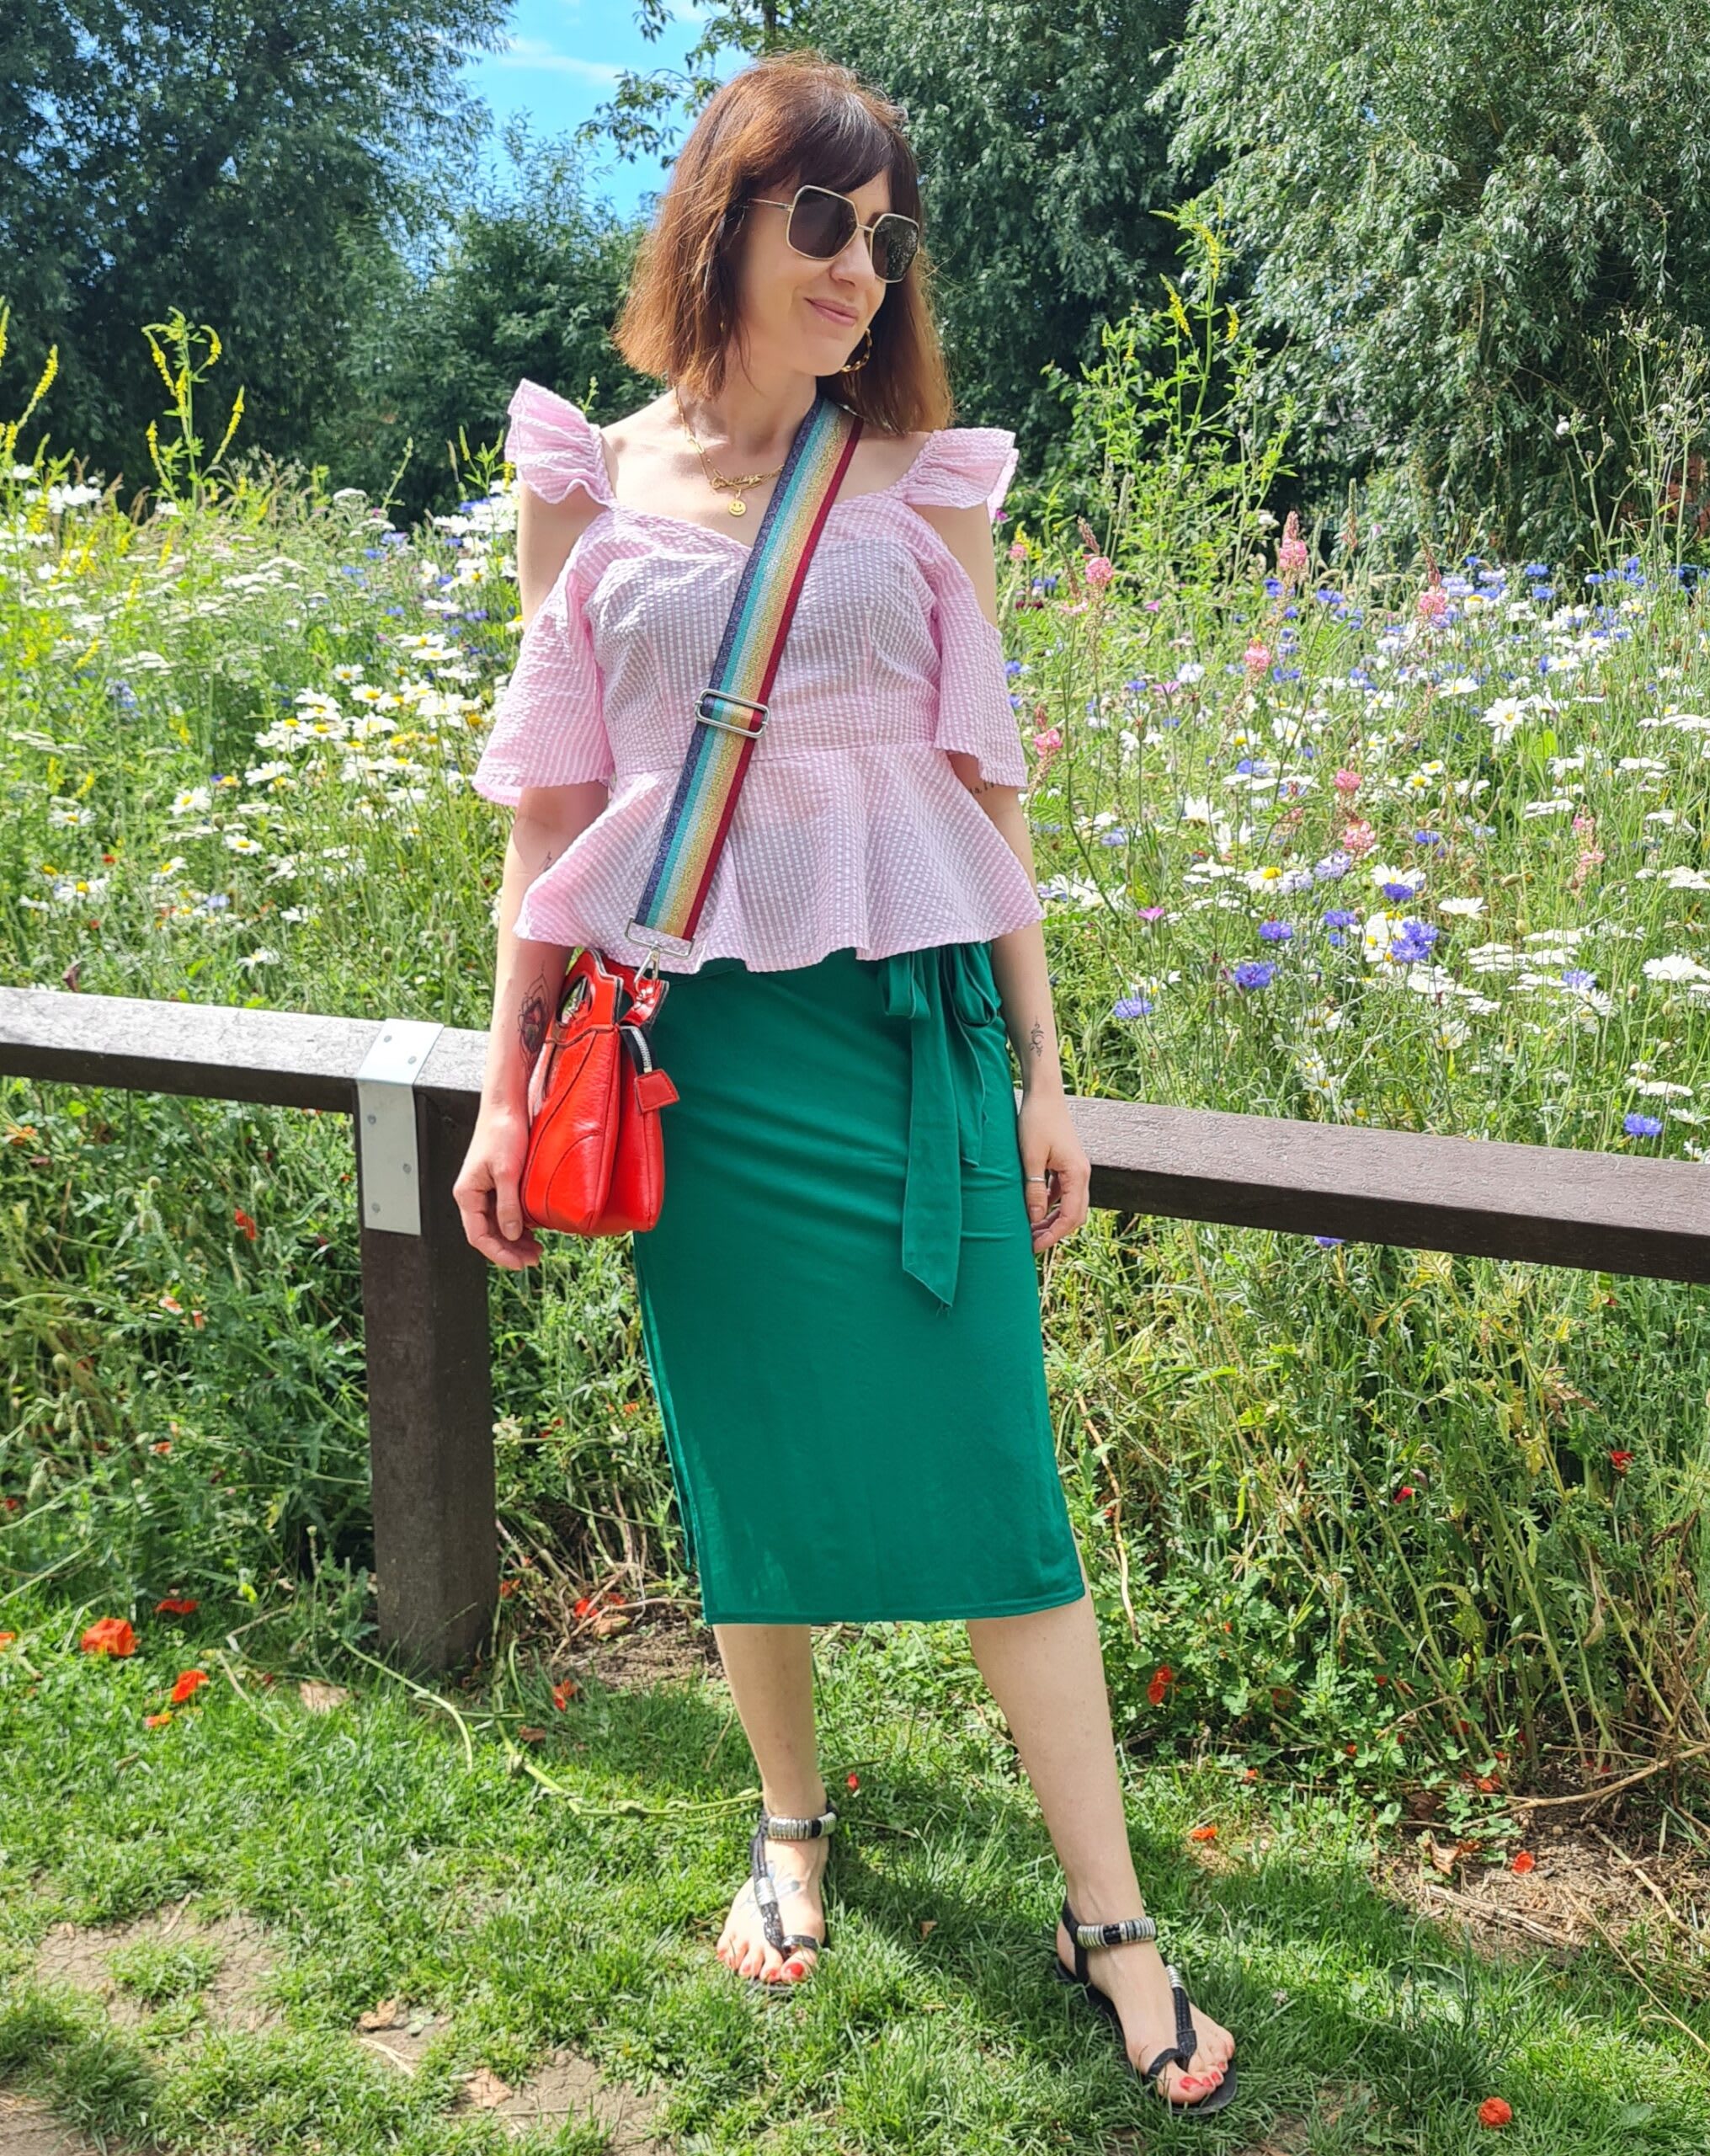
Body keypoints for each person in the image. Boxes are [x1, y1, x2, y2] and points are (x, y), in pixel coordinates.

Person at [453, 47, 1237, 2118]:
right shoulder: (582, 479)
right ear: (721, 217)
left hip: (914, 1044)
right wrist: (495, 1079)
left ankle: (1110, 1911)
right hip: (688, 1053)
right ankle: (789, 1820)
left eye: (883, 236)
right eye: (826, 223)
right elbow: (549, 817)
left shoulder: (920, 486)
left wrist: (1047, 1071)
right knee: (751, 1462)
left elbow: (982, 789)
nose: (863, 272)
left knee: (1000, 1484)